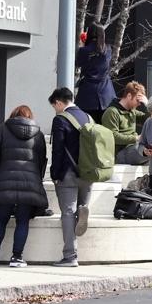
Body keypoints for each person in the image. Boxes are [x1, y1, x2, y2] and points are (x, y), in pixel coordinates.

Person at [48, 87, 114, 267]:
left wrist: (55, 174)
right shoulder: (88, 117)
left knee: (67, 213)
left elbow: (58, 150)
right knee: (78, 208)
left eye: (54, 106)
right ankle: (83, 210)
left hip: (68, 173)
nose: (55, 110)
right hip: (88, 173)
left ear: (58, 102)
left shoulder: (60, 119)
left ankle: (70, 256)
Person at [0, 106, 49, 268]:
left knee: (1, 219)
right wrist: (37, 179)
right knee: (23, 220)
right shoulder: (38, 134)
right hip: (30, 182)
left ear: (13, 115)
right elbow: (42, 160)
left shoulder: (1, 129)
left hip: (5, 180)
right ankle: (17, 258)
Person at [74, 25, 116, 124]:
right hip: (106, 93)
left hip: (88, 94)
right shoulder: (108, 49)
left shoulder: (84, 51)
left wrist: (83, 45)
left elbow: (78, 63)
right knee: (106, 127)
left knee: (88, 126)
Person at [102, 81, 149, 165]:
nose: (139, 104)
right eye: (138, 100)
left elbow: (150, 120)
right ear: (129, 96)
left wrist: (148, 105)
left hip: (134, 147)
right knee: (146, 152)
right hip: (119, 152)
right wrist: (136, 138)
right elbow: (113, 136)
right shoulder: (112, 112)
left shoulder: (132, 111)